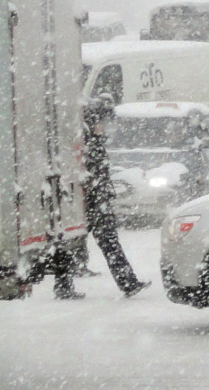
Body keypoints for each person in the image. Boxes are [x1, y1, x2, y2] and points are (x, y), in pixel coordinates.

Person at [52, 97, 148, 300]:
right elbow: (90, 174)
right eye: (102, 123)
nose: (104, 127)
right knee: (103, 242)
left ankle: (64, 284)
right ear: (93, 121)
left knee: (72, 241)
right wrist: (98, 193)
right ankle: (127, 283)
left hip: (90, 201)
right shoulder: (87, 144)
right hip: (92, 202)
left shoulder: (89, 141)